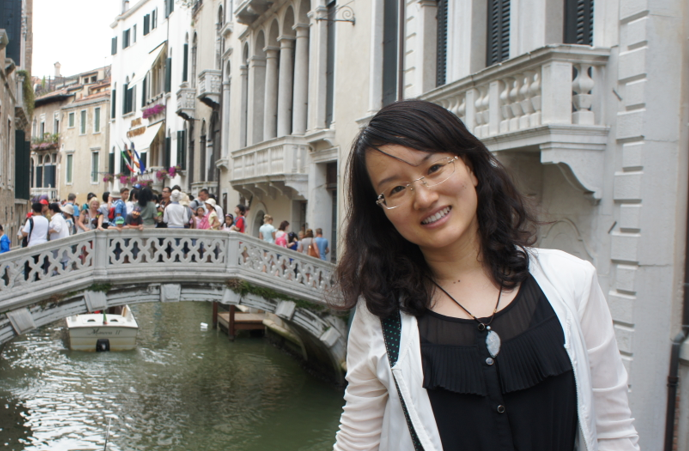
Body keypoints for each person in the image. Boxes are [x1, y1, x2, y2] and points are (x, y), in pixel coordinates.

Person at [332, 100, 639, 451]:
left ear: (472, 167)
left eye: (435, 168)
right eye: (397, 189)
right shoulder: (381, 318)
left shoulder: (572, 281)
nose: (425, 197)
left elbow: (614, 432)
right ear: (382, 212)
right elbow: (356, 443)